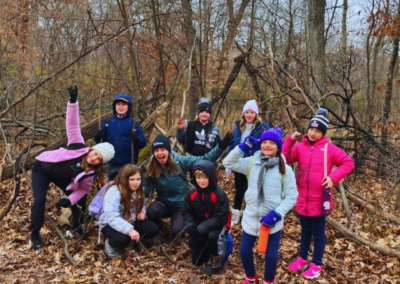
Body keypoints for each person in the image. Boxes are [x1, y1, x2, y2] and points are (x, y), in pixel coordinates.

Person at [29, 86, 115, 250]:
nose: (94, 158)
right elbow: (73, 125)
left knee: (81, 200)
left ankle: (77, 225)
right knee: (39, 200)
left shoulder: (90, 174)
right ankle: (34, 235)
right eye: (95, 153)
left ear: (100, 163)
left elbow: (82, 190)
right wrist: (73, 101)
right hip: (42, 168)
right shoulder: (78, 146)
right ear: (92, 150)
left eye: (99, 159)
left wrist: (69, 200)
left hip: (61, 177)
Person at [283, 108, 354, 279]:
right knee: (305, 230)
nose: (313, 133)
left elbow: (348, 162)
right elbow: (285, 158)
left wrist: (333, 177)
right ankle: (302, 258)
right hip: (303, 198)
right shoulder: (300, 147)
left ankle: (316, 264)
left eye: (317, 131)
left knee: (318, 232)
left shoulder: (329, 148)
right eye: (311, 129)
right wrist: (289, 141)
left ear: (322, 133)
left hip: (320, 198)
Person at [223, 126, 298, 284]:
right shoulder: (252, 162)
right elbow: (227, 162)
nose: (267, 145)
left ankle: (268, 281)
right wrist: (242, 148)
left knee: (271, 256)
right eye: (264, 142)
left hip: (271, 221)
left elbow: (292, 196)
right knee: (244, 252)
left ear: (278, 146)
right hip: (250, 217)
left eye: (272, 142)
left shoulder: (285, 169)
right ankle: (251, 278)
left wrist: (277, 213)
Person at [144, 132, 232, 237]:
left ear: (168, 150)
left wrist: (220, 147)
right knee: (152, 211)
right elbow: (147, 192)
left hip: (181, 205)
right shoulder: (151, 167)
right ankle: (159, 228)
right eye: (156, 150)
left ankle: (179, 222)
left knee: (178, 231)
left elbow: (204, 159)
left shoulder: (180, 162)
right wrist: (144, 179)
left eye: (162, 149)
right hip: (164, 203)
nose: (160, 153)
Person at [99, 164, 159, 259]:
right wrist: (130, 231)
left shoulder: (139, 190)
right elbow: (112, 217)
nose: (136, 183)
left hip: (131, 219)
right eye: (132, 179)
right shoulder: (114, 192)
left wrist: (142, 211)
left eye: (138, 179)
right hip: (110, 224)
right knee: (122, 240)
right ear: (124, 179)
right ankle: (110, 243)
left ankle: (132, 239)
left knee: (153, 229)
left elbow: (142, 203)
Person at [225, 99, 270, 226]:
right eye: (247, 112)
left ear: (256, 114)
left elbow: (266, 145)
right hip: (239, 164)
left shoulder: (263, 128)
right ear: (243, 113)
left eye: (252, 112)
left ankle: (249, 214)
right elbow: (232, 146)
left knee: (252, 190)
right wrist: (228, 165)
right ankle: (236, 213)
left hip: (254, 164)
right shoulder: (238, 128)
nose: (249, 115)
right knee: (239, 190)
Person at [182, 160, 229, 276]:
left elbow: (221, 218)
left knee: (212, 236)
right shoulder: (191, 193)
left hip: (218, 226)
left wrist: (203, 227)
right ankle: (203, 248)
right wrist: (190, 224)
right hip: (200, 226)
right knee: (197, 261)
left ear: (212, 177)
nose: (201, 181)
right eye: (198, 178)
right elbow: (186, 211)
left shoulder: (219, 194)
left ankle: (216, 262)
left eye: (205, 178)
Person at [94, 94, 146, 180]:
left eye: (124, 104)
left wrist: (136, 140)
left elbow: (143, 143)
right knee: (112, 187)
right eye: (118, 104)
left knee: (125, 188)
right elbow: (98, 141)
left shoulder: (134, 124)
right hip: (110, 163)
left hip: (127, 164)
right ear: (114, 106)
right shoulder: (108, 122)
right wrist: (98, 136)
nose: (121, 107)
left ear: (129, 106)